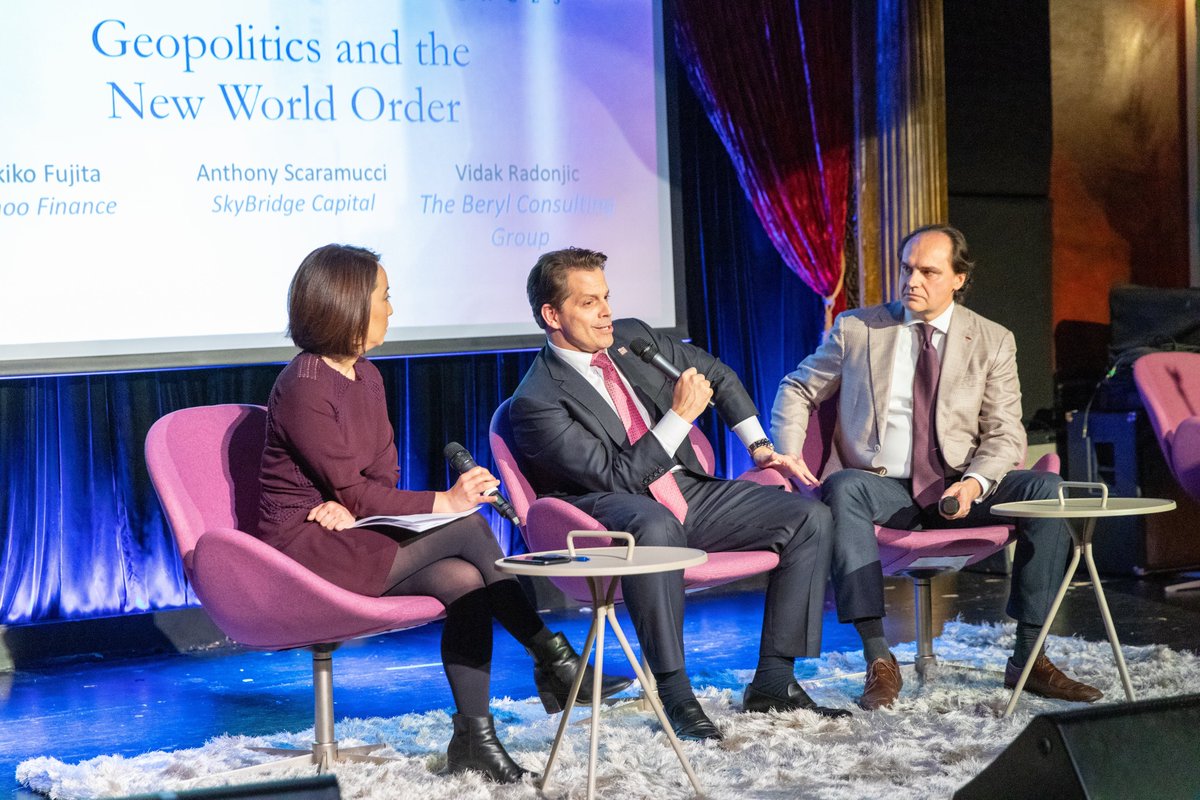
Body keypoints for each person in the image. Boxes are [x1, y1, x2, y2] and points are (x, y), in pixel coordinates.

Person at [256, 244, 631, 784]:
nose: (391, 309)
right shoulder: (304, 386)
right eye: (384, 297)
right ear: (347, 303)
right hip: (304, 543)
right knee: (468, 523)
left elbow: (376, 480)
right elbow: (356, 491)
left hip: (351, 528)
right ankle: (554, 659)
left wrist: (350, 499)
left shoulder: (367, 376)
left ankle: (475, 739)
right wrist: (440, 501)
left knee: (465, 581)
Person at [507, 246, 849, 743]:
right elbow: (617, 477)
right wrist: (680, 416)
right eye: (588, 303)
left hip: (681, 489)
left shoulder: (632, 338)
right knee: (656, 524)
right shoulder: (536, 399)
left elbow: (718, 376)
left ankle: (775, 681)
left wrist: (760, 448)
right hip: (604, 514)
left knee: (808, 518)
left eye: (606, 297)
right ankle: (676, 694)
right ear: (551, 315)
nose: (605, 312)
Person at [771, 223, 1102, 710]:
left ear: (959, 279)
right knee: (842, 487)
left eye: (928, 272)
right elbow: (798, 387)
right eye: (907, 269)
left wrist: (974, 483)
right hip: (885, 486)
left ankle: (1029, 658)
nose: (912, 281)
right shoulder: (858, 328)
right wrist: (788, 450)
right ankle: (878, 659)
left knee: (1046, 489)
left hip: (959, 486)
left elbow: (1005, 432)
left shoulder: (992, 340)